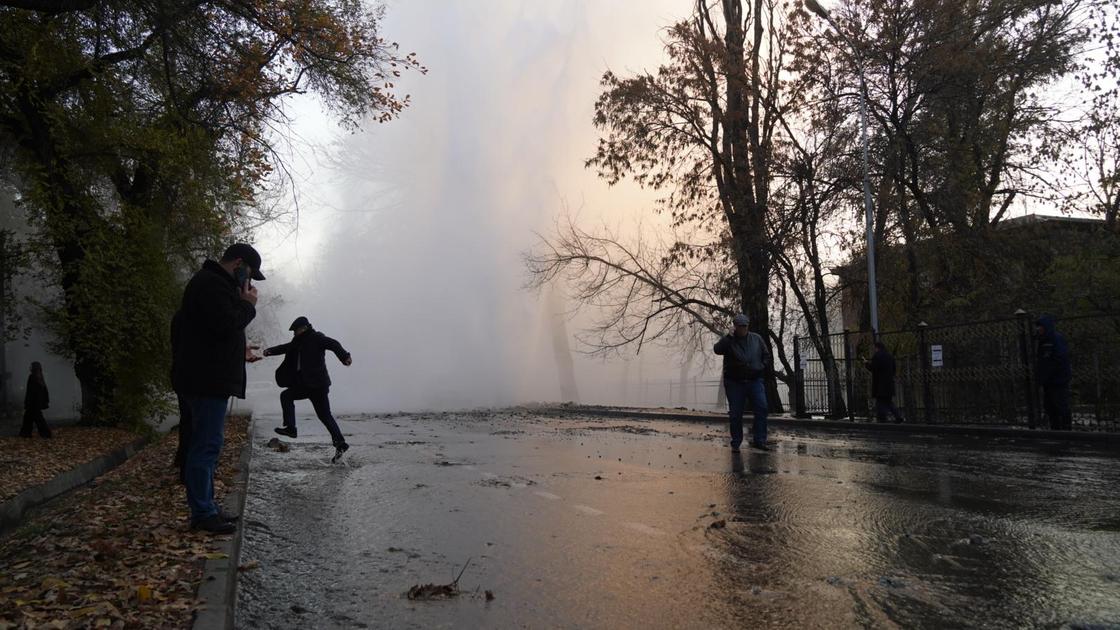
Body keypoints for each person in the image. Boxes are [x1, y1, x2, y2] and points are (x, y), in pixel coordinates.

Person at [172, 243, 264, 534]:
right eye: (249, 272)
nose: (249, 280)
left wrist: (240, 349)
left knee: (205, 444)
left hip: (202, 377)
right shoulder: (212, 284)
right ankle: (202, 514)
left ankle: (207, 507)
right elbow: (227, 324)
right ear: (238, 263)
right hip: (206, 381)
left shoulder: (212, 283)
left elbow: (213, 333)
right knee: (206, 446)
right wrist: (248, 305)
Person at [262, 316, 353, 463]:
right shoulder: (297, 342)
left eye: (296, 330)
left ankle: (339, 443)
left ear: (304, 328)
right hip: (305, 385)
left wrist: (344, 357)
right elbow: (285, 348)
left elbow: (334, 344)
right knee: (288, 397)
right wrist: (269, 351)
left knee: (323, 415)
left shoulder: (317, 338)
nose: (294, 334)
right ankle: (293, 429)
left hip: (317, 385)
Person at [713, 313, 771, 452]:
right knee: (735, 413)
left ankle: (760, 440)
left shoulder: (756, 339)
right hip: (735, 382)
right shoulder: (729, 341)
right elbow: (717, 349)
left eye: (745, 326)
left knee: (762, 408)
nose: (743, 329)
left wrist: (761, 366)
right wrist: (729, 337)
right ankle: (736, 442)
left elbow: (766, 354)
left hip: (754, 380)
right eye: (740, 326)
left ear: (748, 326)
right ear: (735, 326)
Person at [1036, 314, 1072, 430]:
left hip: (1057, 380)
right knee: (1050, 407)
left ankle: (1066, 429)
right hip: (1049, 380)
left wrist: (1048, 373)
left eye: (1040, 326)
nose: (1038, 329)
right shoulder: (1044, 340)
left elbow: (1058, 359)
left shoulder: (1054, 339)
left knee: (1061, 405)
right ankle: (1056, 429)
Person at [19, 362, 51, 438]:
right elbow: (44, 391)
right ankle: (26, 433)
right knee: (29, 418)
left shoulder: (32, 377)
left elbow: (30, 392)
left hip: (32, 403)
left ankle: (45, 434)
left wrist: (27, 402)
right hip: (36, 403)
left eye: (31, 366)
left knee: (37, 419)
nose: (29, 368)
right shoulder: (40, 377)